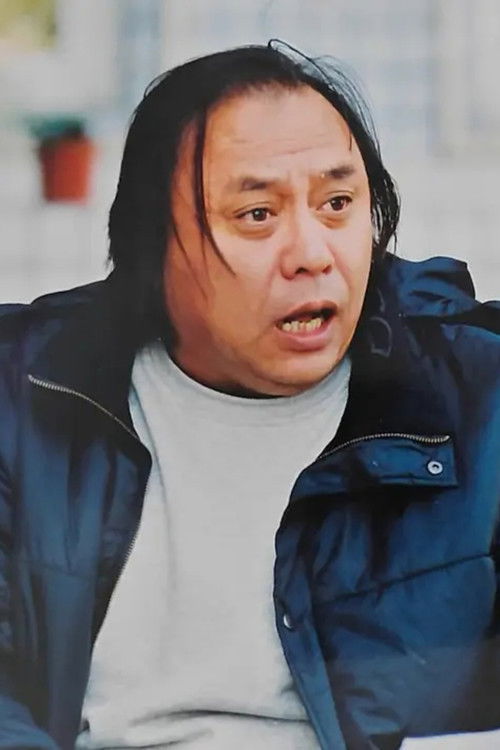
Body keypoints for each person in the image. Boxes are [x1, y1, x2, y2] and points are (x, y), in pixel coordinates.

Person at [0, 42, 499, 750]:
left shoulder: (477, 397)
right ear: (151, 245)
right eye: (257, 214)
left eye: (337, 204)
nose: (312, 254)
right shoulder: (26, 392)